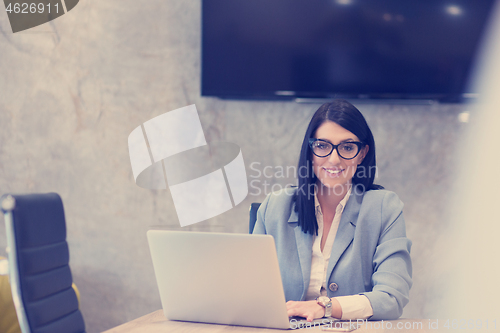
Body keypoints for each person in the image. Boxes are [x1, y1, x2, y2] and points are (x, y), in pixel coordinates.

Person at [253, 99, 412, 322]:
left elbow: (391, 298)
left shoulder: (384, 208)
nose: (334, 159)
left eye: (347, 147)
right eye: (322, 146)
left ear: (362, 153)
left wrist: (326, 307)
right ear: (310, 151)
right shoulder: (275, 206)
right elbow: (250, 292)